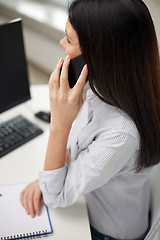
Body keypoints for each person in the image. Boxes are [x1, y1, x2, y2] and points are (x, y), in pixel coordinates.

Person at [20, 0, 160, 239]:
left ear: (99, 54)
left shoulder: (121, 133)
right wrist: (48, 176)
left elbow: (55, 196)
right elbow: (76, 151)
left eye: (69, 39)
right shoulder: (107, 90)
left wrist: (59, 123)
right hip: (88, 203)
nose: (62, 43)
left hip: (107, 232)